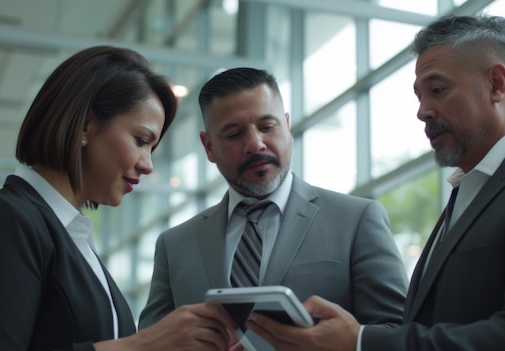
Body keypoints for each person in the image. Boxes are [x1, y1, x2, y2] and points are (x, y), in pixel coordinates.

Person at [245, 14, 505, 351]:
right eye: (419, 96)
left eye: (438, 90)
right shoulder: (466, 195)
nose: (422, 111)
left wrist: (361, 342)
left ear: (496, 84)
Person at [0, 45, 237, 351]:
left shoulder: (74, 238)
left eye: (151, 149)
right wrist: (139, 345)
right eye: (141, 141)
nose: (148, 165)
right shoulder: (5, 217)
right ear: (85, 125)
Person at [138, 67, 409, 348]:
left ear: (287, 126)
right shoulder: (175, 245)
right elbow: (149, 343)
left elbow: (397, 333)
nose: (255, 144)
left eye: (268, 127)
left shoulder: (356, 220)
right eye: (234, 133)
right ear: (208, 147)